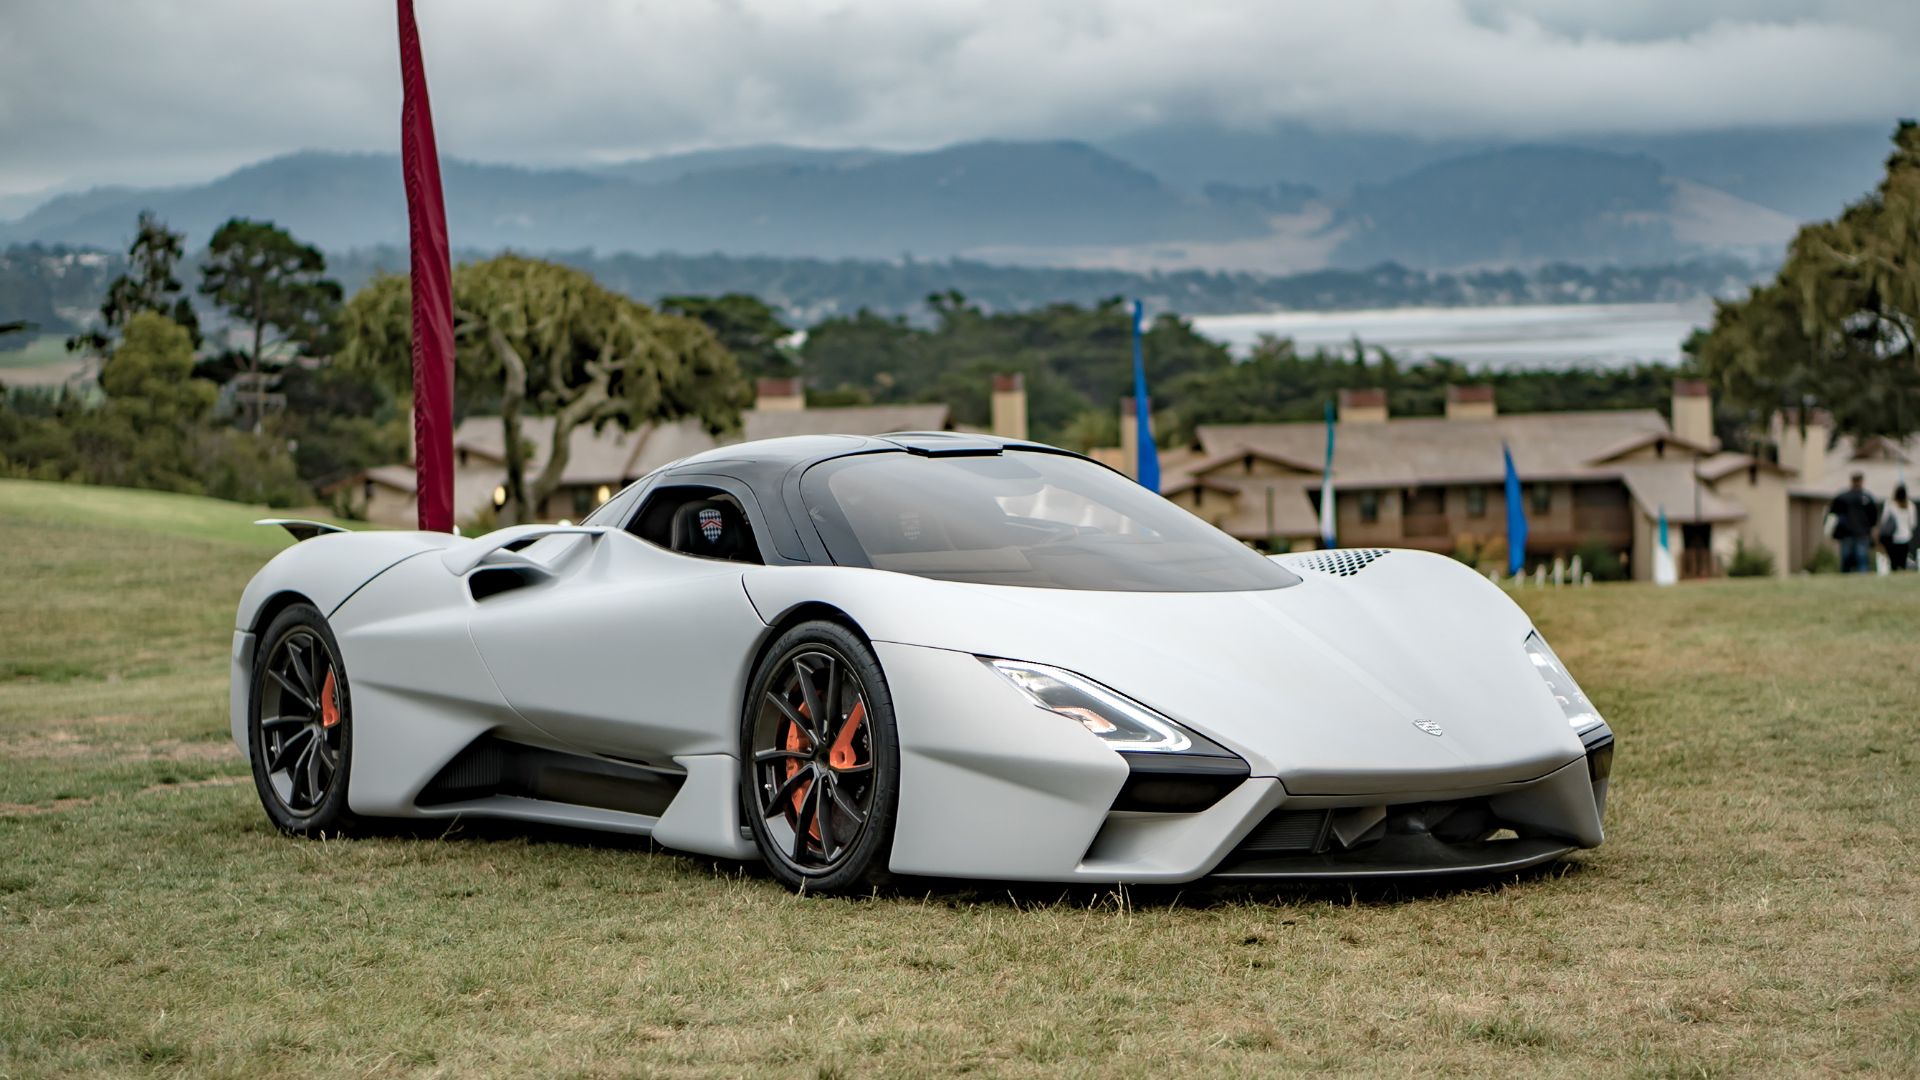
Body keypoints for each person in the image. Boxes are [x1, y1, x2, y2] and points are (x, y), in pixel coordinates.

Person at [1828, 472, 1881, 573]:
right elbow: (1873, 517)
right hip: (1859, 533)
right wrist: (1873, 530)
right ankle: (1861, 577)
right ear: (1862, 481)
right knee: (1861, 559)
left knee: (1847, 559)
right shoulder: (1866, 497)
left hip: (1848, 533)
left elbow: (1832, 515)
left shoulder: (1842, 497)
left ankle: (1846, 577)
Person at [1881, 484, 1916, 572]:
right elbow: (1913, 523)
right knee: (1903, 562)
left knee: (1894, 563)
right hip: (1906, 537)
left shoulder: (1890, 504)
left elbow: (1884, 520)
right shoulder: (1910, 506)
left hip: (1892, 537)